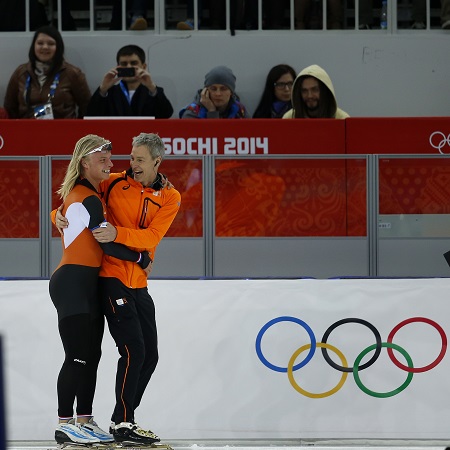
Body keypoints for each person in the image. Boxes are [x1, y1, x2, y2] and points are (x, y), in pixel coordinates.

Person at [56, 133, 181, 445]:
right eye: (131, 158)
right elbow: (75, 201)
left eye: (139, 160)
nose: (131, 165)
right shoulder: (111, 182)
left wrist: (123, 238)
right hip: (108, 278)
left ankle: (104, 418)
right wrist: (54, 215)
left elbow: (151, 237)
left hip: (135, 282)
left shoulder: (170, 197)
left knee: (146, 356)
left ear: (156, 161)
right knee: (122, 351)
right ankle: (118, 421)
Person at [3, 25, 90, 119]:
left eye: (51, 44)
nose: (45, 47)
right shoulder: (21, 72)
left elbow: (87, 106)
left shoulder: (72, 73)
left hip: (63, 131)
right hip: (26, 130)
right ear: (33, 46)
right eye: (40, 43)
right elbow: (10, 107)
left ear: (58, 47)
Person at [86, 45, 173, 118]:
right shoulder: (109, 93)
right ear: (117, 67)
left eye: (133, 63)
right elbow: (90, 115)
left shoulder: (153, 92)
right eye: (124, 64)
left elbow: (166, 114)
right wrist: (103, 89)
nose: (128, 67)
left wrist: (152, 87)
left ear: (144, 66)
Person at [179, 65, 249, 119]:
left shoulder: (240, 111)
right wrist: (212, 111)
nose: (218, 94)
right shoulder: (192, 113)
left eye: (223, 89)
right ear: (205, 91)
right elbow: (215, 136)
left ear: (231, 92)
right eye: (213, 89)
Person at [283, 64, 349, 119]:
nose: (310, 95)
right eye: (304, 91)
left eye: (314, 90)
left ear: (325, 92)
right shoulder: (289, 119)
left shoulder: (342, 119)